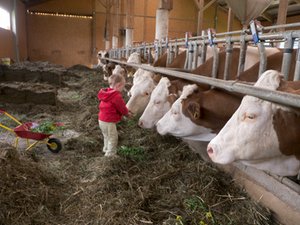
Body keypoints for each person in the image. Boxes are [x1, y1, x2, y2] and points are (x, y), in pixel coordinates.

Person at [98, 73, 130, 157]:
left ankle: (106, 149)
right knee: (113, 137)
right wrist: (127, 114)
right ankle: (110, 155)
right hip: (108, 121)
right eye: (123, 87)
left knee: (106, 136)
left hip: (101, 120)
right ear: (119, 85)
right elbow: (122, 107)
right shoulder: (116, 96)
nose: (123, 89)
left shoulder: (107, 93)